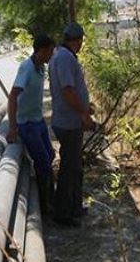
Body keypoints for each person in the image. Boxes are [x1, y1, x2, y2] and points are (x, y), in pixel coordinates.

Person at [48, 22, 93, 227]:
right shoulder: (65, 58)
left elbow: (72, 90)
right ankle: (63, 214)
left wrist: (85, 105)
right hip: (69, 122)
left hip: (67, 120)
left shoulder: (60, 55)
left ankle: (74, 207)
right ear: (78, 40)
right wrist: (83, 112)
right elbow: (67, 91)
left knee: (75, 167)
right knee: (69, 169)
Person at [8, 34, 56, 214]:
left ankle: (43, 193)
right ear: (41, 51)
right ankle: (45, 205)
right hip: (26, 124)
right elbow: (13, 97)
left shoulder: (41, 67)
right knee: (43, 161)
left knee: (50, 155)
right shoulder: (26, 68)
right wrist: (13, 128)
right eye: (50, 51)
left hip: (38, 120)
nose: (52, 55)